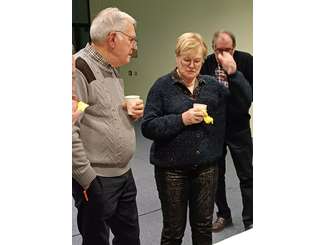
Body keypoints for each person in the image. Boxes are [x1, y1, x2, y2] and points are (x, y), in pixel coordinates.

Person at [141, 32, 252, 245]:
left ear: (203, 60)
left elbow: (245, 99)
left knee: (202, 229)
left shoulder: (211, 85)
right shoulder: (162, 87)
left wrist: (234, 73)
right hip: (171, 169)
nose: (192, 66)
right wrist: (181, 119)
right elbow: (148, 126)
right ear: (177, 58)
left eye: (197, 61)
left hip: (206, 168)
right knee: (174, 230)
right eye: (186, 60)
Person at [72, 7, 144, 245]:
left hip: (124, 173)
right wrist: (87, 179)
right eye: (132, 39)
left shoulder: (111, 68)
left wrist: (124, 110)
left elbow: (95, 109)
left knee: (130, 238)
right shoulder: (78, 69)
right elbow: (68, 128)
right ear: (113, 39)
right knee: (96, 240)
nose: (134, 46)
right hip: (97, 179)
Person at [200, 30, 253, 231]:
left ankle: (250, 219)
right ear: (213, 48)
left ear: (234, 47)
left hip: (239, 127)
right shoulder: (206, 63)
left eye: (227, 50)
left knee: (246, 175)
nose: (223, 54)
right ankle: (223, 215)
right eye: (219, 50)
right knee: (215, 176)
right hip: (214, 128)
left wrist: (234, 73)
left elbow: (250, 96)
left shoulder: (246, 61)